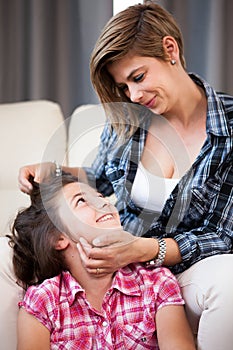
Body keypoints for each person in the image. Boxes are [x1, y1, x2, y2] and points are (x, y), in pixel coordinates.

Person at [17, 3, 233, 349]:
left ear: (170, 49)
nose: (133, 95)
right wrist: (55, 172)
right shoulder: (131, 119)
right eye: (123, 87)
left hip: (190, 269)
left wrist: (146, 249)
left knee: (229, 278)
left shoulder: (229, 130)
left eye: (138, 77)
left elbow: (226, 235)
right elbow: (99, 180)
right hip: (121, 264)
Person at [8, 173, 196, 350]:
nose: (103, 202)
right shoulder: (43, 302)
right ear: (57, 238)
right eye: (81, 200)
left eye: (100, 196)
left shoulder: (157, 283)